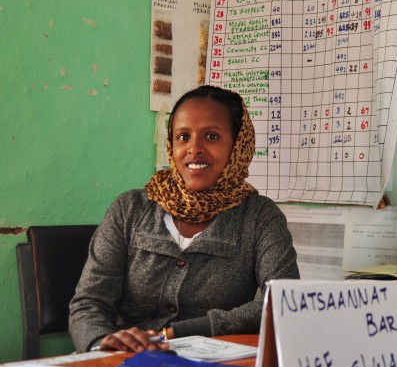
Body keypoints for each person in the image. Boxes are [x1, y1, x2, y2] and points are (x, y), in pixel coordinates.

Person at [69, 85, 300, 353]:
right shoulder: (129, 209)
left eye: (211, 136)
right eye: (183, 137)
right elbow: (89, 302)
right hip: (126, 363)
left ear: (238, 145)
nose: (194, 149)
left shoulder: (260, 216)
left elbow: (283, 301)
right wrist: (101, 344)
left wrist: (189, 330)